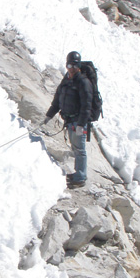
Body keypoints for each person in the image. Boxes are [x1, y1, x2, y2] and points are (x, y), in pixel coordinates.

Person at [44, 51, 93, 188]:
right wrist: (49, 115)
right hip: (70, 120)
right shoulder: (66, 80)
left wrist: (81, 124)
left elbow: (86, 106)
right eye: (69, 65)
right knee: (76, 148)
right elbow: (57, 100)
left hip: (78, 122)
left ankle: (81, 176)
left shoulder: (83, 82)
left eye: (74, 65)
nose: (71, 68)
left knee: (80, 149)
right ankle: (78, 174)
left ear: (78, 66)